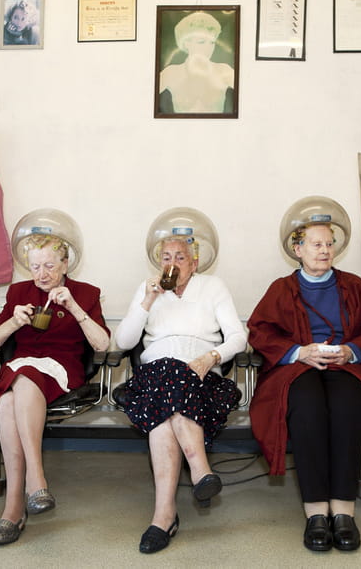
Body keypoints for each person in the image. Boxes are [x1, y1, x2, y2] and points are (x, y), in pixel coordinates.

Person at [248, 215, 361, 553]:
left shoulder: (353, 286)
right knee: (307, 412)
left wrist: (351, 350)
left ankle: (343, 511)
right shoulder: (281, 289)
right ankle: (315, 512)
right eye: (316, 244)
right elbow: (260, 331)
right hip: (298, 368)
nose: (325, 250)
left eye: (329, 244)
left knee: (347, 409)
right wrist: (298, 352)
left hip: (346, 367)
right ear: (298, 250)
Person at [115, 233, 246, 554]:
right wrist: (147, 301)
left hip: (202, 379)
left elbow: (238, 337)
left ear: (195, 262)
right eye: (166, 258)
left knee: (165, 406)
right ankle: (200, 470)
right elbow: (124, 342)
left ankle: (163, 516)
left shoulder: (212, 286)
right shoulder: (148, 290)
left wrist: (210, 357)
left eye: (180, 257)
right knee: (168, 373)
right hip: (155, 376)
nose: (172, 264)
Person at [0, 233, 109, 545]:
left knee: (18, 381)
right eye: (35, 266)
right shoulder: (18, 292)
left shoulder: (85, 293)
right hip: (21, 370)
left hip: (61, 368)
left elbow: (103, 344)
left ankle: (23, 495)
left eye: (50, 265)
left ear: (65, 264)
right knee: (8, 401)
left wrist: (75, 308)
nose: (42, 273)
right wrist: (13, 322)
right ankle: (25, 496)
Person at [157, 11, 235, 114]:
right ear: (186, 43)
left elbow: (250, 93)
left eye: (212, 42)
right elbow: (144, 96)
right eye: (201, 42)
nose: (208, 48)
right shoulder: (171, 73)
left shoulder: (224, 71)